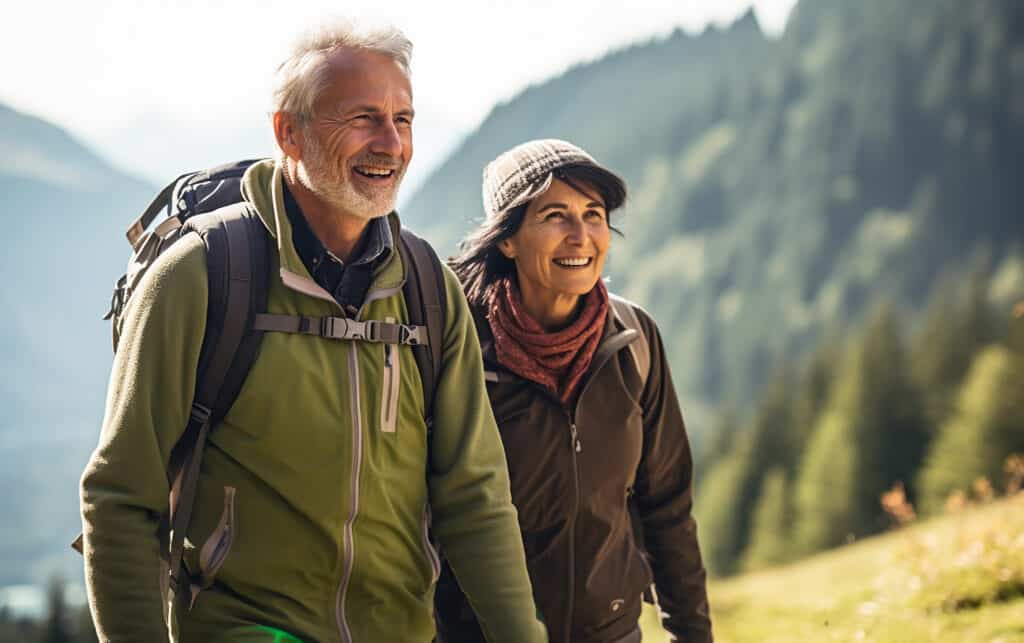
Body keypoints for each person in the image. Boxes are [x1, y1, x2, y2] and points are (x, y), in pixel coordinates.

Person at [79, 20, 546, 643]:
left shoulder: (428, 288)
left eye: (403, 119)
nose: (391, 143)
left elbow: (476, 496)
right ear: (288, 132)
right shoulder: (201, 276)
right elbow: (120, 497)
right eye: (362, 118)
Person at [438, 139, 713, 643]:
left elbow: (667, 508)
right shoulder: (459, 350)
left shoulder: (634, 340)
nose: (581, 235)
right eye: (555, 215)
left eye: (593, 213)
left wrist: (692, 635)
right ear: (507, 240)